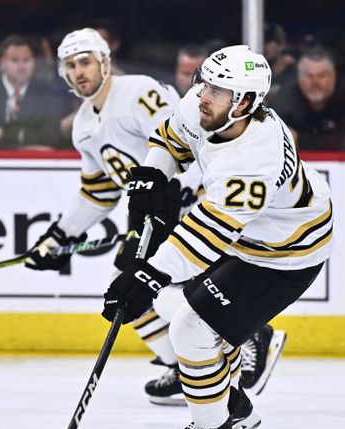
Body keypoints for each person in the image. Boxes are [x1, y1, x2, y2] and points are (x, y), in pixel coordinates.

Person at [101, 45, 333, 429]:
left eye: (218, 90)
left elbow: (204, 239)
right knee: (185, 311)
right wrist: (155, 174)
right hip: (251, 238)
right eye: (205, 83)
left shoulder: (253, 161)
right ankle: (233, 407)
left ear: (245, 103)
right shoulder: (209, 106)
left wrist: (143, 277)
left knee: (190, 328)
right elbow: (171, 139)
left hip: (285, 253)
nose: (204, 95)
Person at [25, 29, 284, 407]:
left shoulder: (137, 93)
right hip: (158, 212)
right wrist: (59, 235)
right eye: (70, 65)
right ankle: (184, 369)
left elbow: (192, 138)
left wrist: (178, 196)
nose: (79, 71)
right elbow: (98, 193)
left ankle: (249, 336)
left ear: (105, 62)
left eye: (85, 62)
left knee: (159, 282)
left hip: (196, 200)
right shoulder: (83, 127)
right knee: (129, 286)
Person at [0, 34, 73, 149]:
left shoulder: (50, 93)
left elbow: (51, 138)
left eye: (26, 60)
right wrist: (21, 149)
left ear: (34, 62)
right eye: (14, 60)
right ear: (2, 63)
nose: (21, 66)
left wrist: (5, 133)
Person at [273, 47, 345, 150]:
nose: (315, 82)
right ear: (299, 77)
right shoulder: (283, 102)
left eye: (321, 76)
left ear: (333, 76)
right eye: (308, 76)